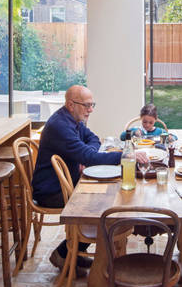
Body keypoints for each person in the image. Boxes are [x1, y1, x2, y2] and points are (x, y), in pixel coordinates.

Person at [31, 85, 134, 274]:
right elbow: (91, 157)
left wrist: (85, 155)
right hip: (51, 190)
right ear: (71, 105)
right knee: (102, 206)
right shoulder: (60, 126)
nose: (91, 109)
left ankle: (71, 254)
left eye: (92, 104)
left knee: (106, 198)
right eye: (87, 105)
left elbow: (93, 139)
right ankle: (68, 255)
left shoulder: (74, 119)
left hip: (67, 182)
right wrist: (127, 156)